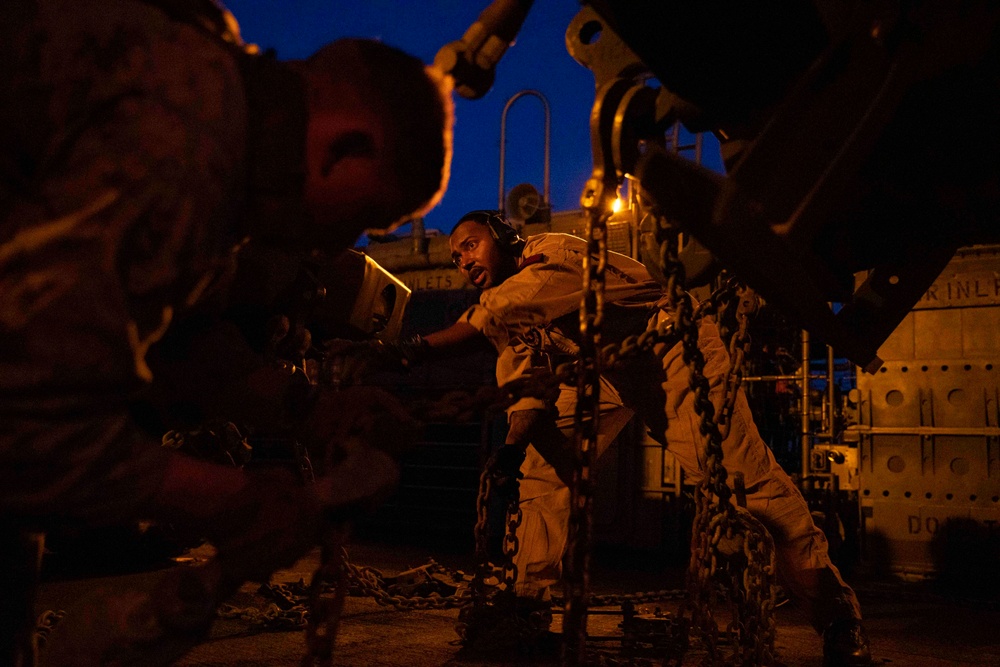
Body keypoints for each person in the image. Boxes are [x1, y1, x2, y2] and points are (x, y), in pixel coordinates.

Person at [0, 0, 453, 664]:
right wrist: (230, 500)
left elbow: (182, 339)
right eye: (368, 215)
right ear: (347, 147)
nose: (342, 244)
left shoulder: (204, 83)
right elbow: (25, 425)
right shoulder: (185, 138)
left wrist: (313, 413)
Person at [404, 210, 873, 666]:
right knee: (542, 473)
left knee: (744, 483)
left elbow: (500, 312)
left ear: (505, 237)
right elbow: (527, 388)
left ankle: (837, 617)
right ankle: (526, 605)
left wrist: (406, 352)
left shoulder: (552, 256)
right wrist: (510, 453)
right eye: (455, 257)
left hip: (668, 353)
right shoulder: (515, 308)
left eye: (470, 245)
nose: (463, 260)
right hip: (601, 372)